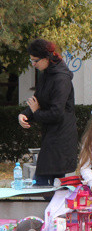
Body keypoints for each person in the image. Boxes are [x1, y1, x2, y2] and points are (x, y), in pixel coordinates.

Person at [18, 39, 78, 185]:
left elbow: (56, 113)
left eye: (35, 60)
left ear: (46, 58)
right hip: (51, 136)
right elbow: (37, 100)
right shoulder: (45, 74)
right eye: (31, 60)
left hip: (61, 140)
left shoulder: (61, 79)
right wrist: (25, 115)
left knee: (46, 184)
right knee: (45, 184)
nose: (33, 64)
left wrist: (36, 113)